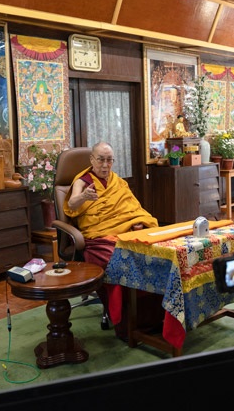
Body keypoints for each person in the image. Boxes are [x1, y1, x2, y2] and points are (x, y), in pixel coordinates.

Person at [64, 141, 162, 337]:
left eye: (109, 160)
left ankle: (155, 318)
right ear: (92, 160)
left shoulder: (118, 182)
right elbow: (73, 203)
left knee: (154, 256)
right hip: (98, 238)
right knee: (118, 263)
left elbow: (132, 209)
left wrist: (138, 222)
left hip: (125, 234)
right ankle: (127, 324)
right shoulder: (82, 181)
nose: (105, 165)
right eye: (101, 160)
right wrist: (83, 196)